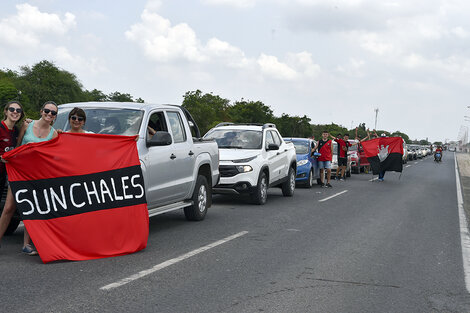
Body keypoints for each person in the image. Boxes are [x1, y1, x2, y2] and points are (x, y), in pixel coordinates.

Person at [0, 101, 59, 255]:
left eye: (53, 113)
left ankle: (27, 245)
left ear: (55, 117)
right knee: (8, 209)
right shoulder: (27, 125)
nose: (49, 114)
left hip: (37, 176)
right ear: (41, 111)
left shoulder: (54, 133)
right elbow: (17, 146)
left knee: (31, 211)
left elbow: (53, 156)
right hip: (19, 173)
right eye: (47, 111)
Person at [0, 101, 32, 253]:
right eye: (12, 109)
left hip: (7, 176)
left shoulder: (16, 130)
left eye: (18, 110)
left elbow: (18, 147)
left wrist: (27, 127)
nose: (15, 112)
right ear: (5, 111)